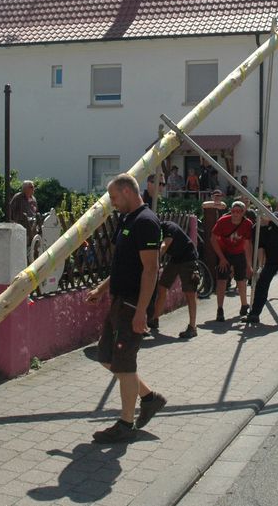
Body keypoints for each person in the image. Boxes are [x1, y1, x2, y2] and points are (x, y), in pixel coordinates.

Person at [85, 174, 166, 442]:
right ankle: (149, 398)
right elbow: (123, 264)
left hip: (133, 303)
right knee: (107, 357)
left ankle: (125, 424)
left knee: (125, 364)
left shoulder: (146, 222)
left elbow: (151, 269)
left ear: (128, 192)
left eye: (114, 197)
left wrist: (142, 310)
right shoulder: (126, 219)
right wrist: (102, 288)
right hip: (119, 301)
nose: (112, 203)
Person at [151, 219, 201, 339]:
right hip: (175, 259)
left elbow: (164, 245)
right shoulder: (154, 232)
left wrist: (153, 263)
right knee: (162, 287)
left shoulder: (169, 227)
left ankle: (192, 327)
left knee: (190, 293)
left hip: (188, 258)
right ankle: (154, 319)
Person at [245, 211, 278, 326]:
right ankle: (255, 314)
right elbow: (260, 247)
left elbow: (274, 219)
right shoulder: (256, 229)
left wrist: (265, 215)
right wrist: (260, 266)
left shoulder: (275, 219)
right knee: (262, 284)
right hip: (271, 260)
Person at [211, 201, 254, 321]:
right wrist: (222, 258)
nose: (235, 214)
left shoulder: (247, 224)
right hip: (224, 252)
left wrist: (249, 265)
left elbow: (247, 244)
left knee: (241, 279)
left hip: (239, 253)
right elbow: (213, 239)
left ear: (243, 212)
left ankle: (244, 305)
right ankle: (220, 309)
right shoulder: (223, 221)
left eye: (238, 212)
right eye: (233, 211)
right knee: (222, 280)